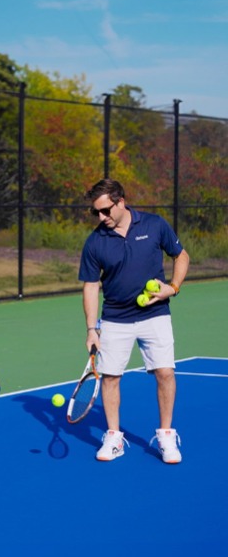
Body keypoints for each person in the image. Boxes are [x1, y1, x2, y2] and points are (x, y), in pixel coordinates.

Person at [79, 178, 190, 463]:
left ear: (121, 202)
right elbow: (91, 286)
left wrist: (173, 287)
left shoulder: (154, 225)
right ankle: (114, 437)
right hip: (115, 318)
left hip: (155, 314)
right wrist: (92, 329)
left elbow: (181, 255)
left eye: (105, 210)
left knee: (165, 372)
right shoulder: (95, 242)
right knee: (111, 377)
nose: (101, 217)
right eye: (96, 213)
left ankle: (166, 436)